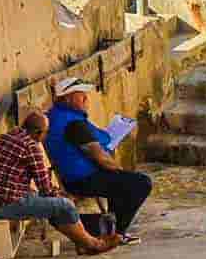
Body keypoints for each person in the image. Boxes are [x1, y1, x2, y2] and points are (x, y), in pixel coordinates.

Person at [0, 111, 117, 255]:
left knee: (53, 205)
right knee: (65, 205)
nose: (47, 136)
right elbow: (45, 188)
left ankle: (83, 243)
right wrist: (62, 195)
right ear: (38, 133)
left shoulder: (5, 137)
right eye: (46, 132)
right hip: (6, 205)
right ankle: (93, 244)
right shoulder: (31, 147)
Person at [45, 78, 152, 242]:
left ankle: (112, 229)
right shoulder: (73, 124)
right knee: (140, 183)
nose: (86, 100)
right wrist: (120, 171)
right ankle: (116, 233)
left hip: (74, 175)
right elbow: (101, 158)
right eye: (81, 96)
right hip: (81, 179)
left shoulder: (56, 116)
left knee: (119, 180)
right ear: (67, 98)